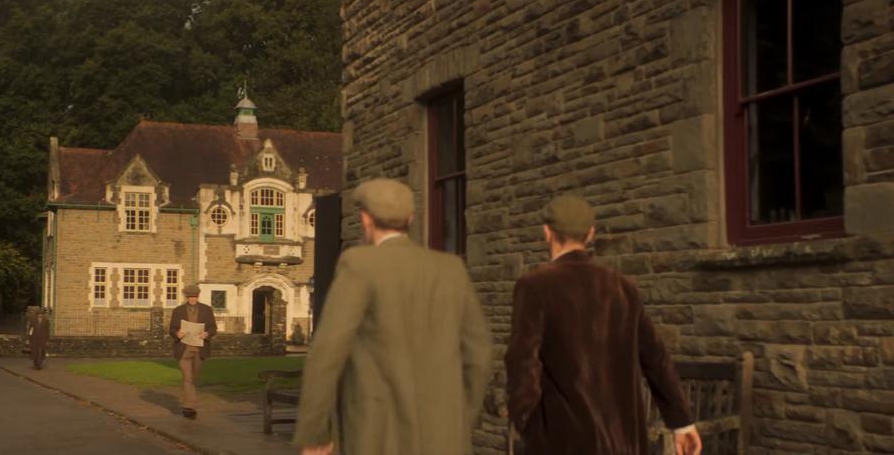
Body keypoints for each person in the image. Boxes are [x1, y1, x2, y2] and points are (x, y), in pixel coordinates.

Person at [294, 178, 493, 455]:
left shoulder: (360, 264)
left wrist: (315, 432)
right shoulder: (451, 269)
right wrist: (460, 418)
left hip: (376, 434)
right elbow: (480, 356)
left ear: (365, 219)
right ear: (410, 218)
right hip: (445, 436)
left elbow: (327, 352)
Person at [505, 195, 702, 455]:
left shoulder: (535, 286)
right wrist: (682, 423)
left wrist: (528, 425)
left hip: (563, 442)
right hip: (623, 443)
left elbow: (522, 362)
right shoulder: (623, 287)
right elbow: (656, 359)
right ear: (590, 234)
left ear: (547, 233)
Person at [168, 284, 218, 420]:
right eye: (190, 297)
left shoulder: (207, 310)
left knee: (193, 379)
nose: (192, 299)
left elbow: (213, 328)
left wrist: (207, 333)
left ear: (198, 296)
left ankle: (189, 400)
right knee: (188, 378)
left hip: (200, 349)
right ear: (186, 297)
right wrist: (177, 334)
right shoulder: (178, 311)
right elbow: (172, 329)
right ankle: (189, 407)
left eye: (194, 297)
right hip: (183, 349)